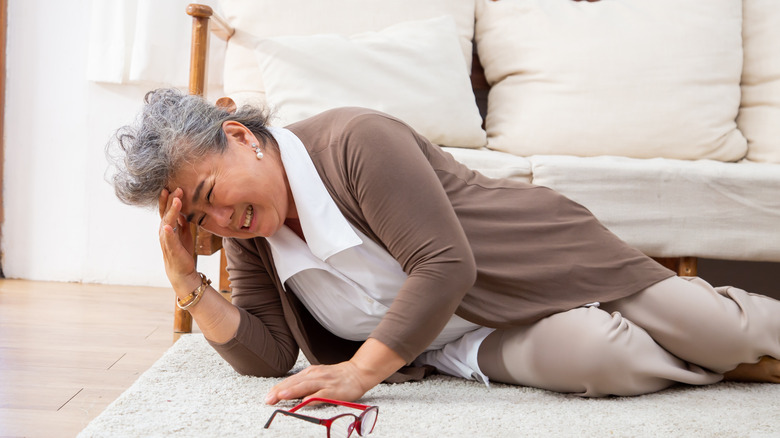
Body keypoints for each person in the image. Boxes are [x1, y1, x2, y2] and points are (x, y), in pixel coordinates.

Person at [106, 88, 780, 404]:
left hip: (538, 261)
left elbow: (443, 263)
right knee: (609, 360)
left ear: (242, 137)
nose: (220, 220)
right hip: (460, 340)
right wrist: (187, 282)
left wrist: (359, 372)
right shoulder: (251, 234)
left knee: (714, 327)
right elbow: (269, 356)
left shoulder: (352, 140)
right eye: (200, 220)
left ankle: (718, 341)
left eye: (210, 193)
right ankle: (728, 363)